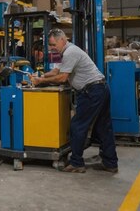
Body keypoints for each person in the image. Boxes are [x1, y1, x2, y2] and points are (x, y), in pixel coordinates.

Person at [31, 28, 118, 173]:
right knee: (103, 127)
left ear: (62, 40)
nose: (52, 48)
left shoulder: (70, 52)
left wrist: (40, 81)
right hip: (99, 89)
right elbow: (55, 71)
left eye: (53, 45)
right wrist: (40, 75)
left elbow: (62, 78)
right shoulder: (63, 53)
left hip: (92, 91)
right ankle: (110, 163)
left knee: (77, 126)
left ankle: (77, 163)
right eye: (50, 46)